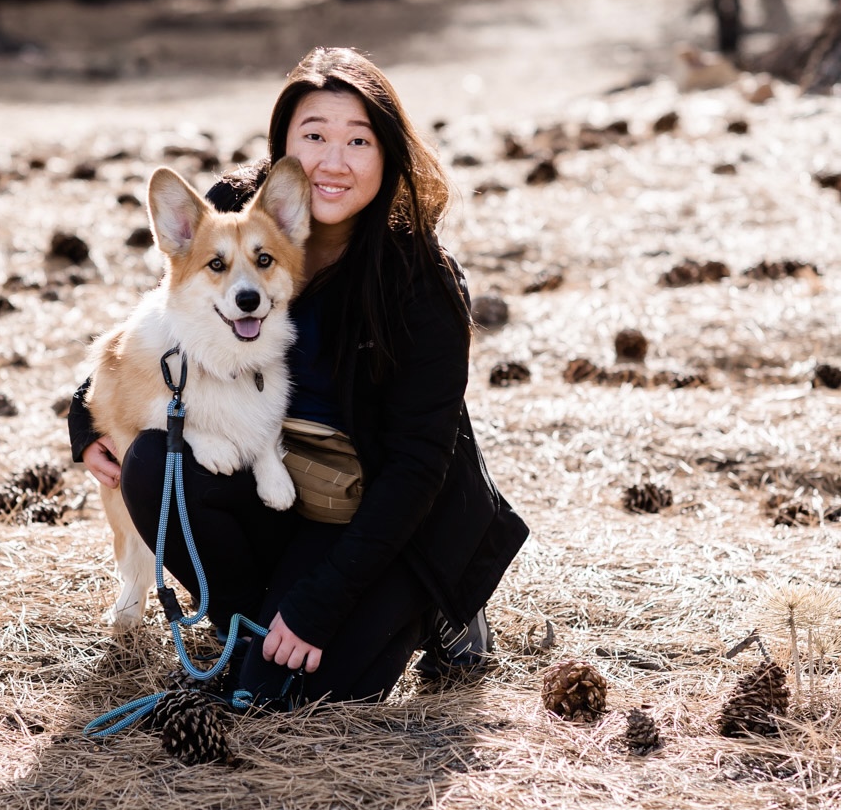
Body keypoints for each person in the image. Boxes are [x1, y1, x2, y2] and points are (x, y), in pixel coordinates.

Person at [76, 47, 528, 705]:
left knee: (299, 696)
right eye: (313, 136)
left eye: (357, 140)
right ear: (283, 143)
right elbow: (159, 324)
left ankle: (437, 605)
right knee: (153, 460)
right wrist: (81, 422)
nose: (332, 161)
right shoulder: (236, 210)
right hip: (278, 488)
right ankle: (244, 619)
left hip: (377, 512)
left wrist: (318, 604)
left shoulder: (419, 280)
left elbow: (416, 466)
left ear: (387, 153)